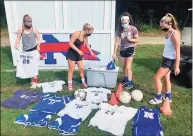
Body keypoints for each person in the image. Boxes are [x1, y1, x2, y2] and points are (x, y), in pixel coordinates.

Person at [149, 13, 181, 104]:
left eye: (162, 23)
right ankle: (168, 97)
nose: (161, 24)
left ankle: (158, 98)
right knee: (166, 78)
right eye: (160, 22)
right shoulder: (168, 32)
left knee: (157, 77)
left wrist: (177, 66)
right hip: (165, 58)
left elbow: (178, 51)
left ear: (169, 24)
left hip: (169, 61)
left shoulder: (175, 34)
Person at [112, 12, 139, 89]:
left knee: (128, 67)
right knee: (124, 66)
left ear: (128, 21)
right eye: (122, 23)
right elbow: (117, 42)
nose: (124, 24)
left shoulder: (133, 29)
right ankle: (126, 79)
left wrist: (130, 39)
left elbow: (137, 40)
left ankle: (130, 83)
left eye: (125, 23)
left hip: (130, 48)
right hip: (122, 50)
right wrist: (114, 53)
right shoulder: (120, 30)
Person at [66, 23, 96, 91]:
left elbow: (87, 45)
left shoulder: (85, 36)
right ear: (86, 30)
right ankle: (70, 84)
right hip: (72, 53)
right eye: (90, 32)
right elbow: (70, 43)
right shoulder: (77, 33)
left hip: (78, 53)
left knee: (81, 68)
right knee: (72, 69)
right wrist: (78, 51)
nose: (91, 34)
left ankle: (83, 82)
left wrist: (91, 52)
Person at [14, 14, 41, 89]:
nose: (29, 23)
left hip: (33, 50)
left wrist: (38, 46)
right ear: (24, 22)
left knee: (34, 66)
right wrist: (16, 44)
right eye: (28, 21)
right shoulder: (20, 29)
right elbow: (18, 39)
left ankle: (35, 81)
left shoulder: (34, 29)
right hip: (25, 51)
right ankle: (29, 77)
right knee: (27, 65)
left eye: (30, 21)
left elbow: (39, 39)